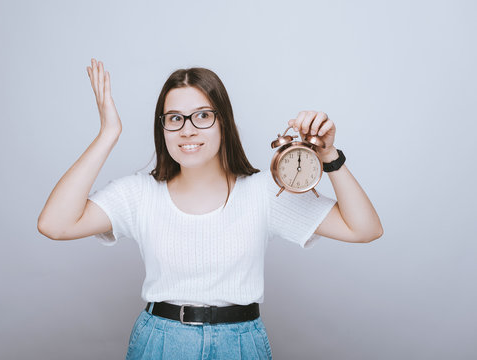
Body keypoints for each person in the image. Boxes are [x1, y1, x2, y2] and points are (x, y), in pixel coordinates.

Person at [37, 58, 383, 359]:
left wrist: (329, 157)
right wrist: (108, 133)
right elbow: (55, 224)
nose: (187, 130)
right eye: (174, 118)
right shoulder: (138, 194)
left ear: (223, 122)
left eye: (202, 115)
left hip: (240, 343)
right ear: (163, 129)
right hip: (161, 342)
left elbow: (364, 229)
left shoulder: (263, 191)